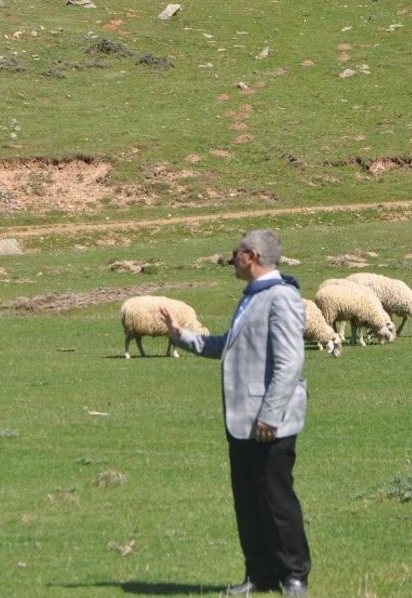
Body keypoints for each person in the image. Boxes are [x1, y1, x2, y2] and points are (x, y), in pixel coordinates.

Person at [160, 229, 311, 597]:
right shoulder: (251, 296)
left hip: (269, 421)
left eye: (236, 251)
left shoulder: (282, 297)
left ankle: (294, 575)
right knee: (248, 501)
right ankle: (260, 574)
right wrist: (182, 336)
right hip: (242, 420)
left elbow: (290, 362)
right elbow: (228, 345)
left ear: (252, 256)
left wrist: (270, 415)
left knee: (276, 500)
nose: (232, 258)